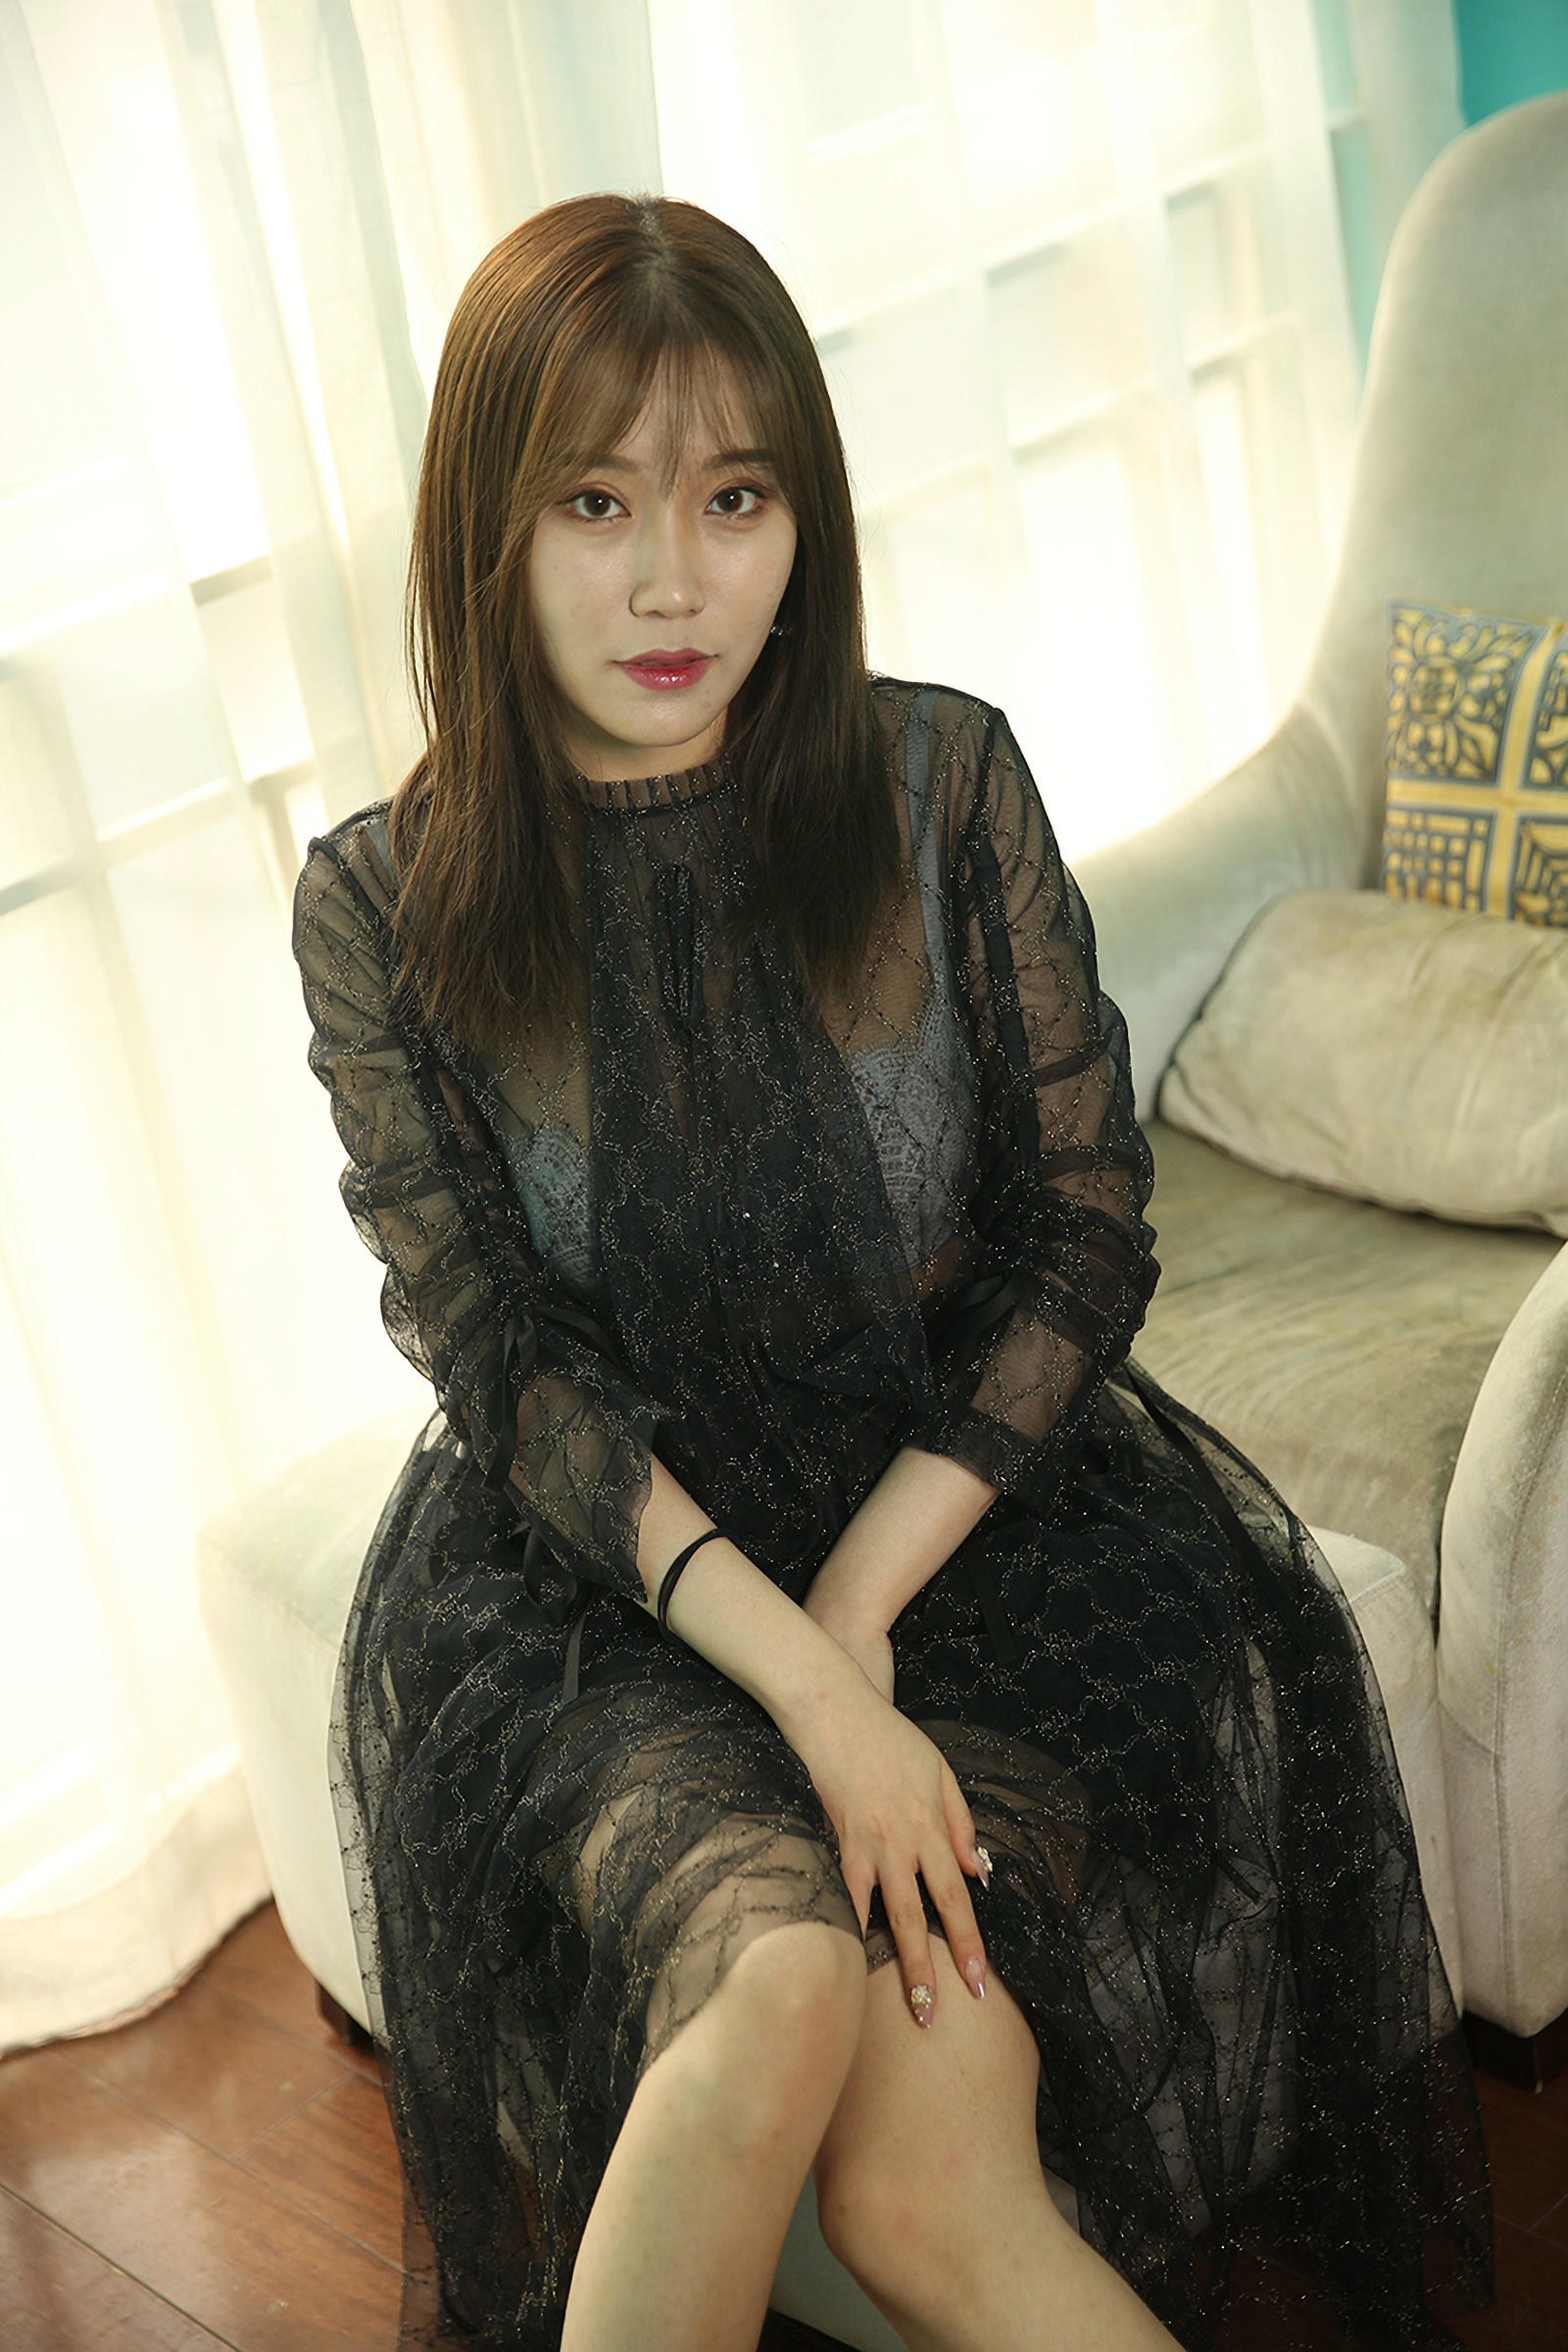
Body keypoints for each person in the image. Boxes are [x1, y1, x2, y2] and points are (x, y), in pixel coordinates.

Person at [292, 194, 1490, 2352]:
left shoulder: (939, 782)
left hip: (966, 1540)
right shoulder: (384, 903)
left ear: (802, 518)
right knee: (766, 1985)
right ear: (489, 528)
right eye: (595, 504)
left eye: (735, 499)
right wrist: (806, 1688)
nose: (674, 581)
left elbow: (1080, 1225)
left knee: (931, 2180)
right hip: (616, 1587)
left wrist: (857, 1627)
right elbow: (505, 1367)